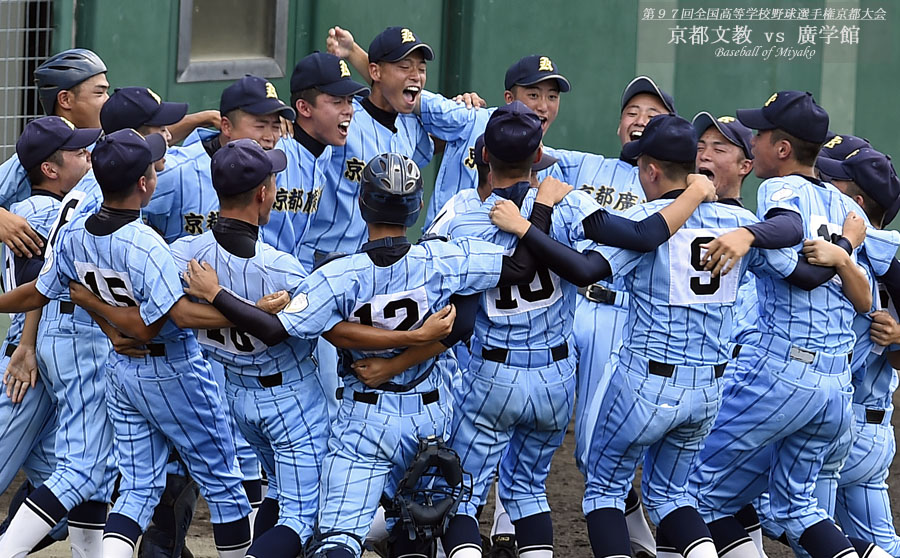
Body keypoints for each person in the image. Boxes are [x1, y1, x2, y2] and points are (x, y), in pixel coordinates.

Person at [691, 91, 882, 558]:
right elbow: (862, 301)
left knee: (688, 495)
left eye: (760, 134)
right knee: (798, 509)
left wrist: (746, 232)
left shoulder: (779, 188)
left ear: (782, 149)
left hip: (783, 374)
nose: (751, 141)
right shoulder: (845, 211)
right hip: (837, 389)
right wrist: (843, 249)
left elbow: (790, 232)